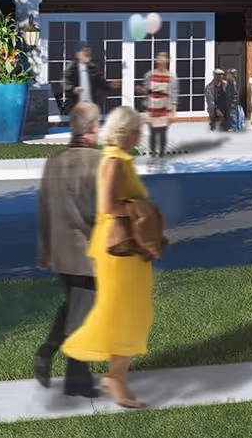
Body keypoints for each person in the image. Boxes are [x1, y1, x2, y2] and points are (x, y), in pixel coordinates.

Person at [62, 106, 156, 410]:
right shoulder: (114, 161)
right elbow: (107, 206)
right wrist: (140, 208)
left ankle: (116, 374)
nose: (141, 135)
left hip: (126, 248)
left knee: (130, 311)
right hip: (119, 249)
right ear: (127, 134)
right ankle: (116, 377)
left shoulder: (117, 158)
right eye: (138, 130)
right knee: (124, 312)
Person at [34, 102, 103, 399]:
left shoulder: (55, 161)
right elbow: (98, 211)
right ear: (92, 128)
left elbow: (44, 208)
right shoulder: (98, 162)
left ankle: (54, 357)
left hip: (62, 251)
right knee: (84, 315)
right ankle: (74, 376)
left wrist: (44, 248)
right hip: (89, 252)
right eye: (97, 125)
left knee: (75, 306)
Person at [57, 45, 109, 120]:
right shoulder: (72, 67)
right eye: (85, 52)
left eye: (89, 52)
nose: (88, 54)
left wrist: (110, 86)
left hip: (90, 105)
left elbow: (101, 83)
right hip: (76, 105)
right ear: (78, 54)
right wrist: (72, 88)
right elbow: (63, 80)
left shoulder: (93, 68)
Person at [143, 53, 173, 157]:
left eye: (162, 58)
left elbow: (173, 94)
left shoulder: (171, 76)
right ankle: (152, 154)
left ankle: (162, 154)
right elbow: (146, 91)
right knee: (153, 132)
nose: (159, 59)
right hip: (152, 107)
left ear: (167, 60)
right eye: (158, 57)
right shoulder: (150, 74)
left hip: (164, 107)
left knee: (163, 133)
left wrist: (172, 111)